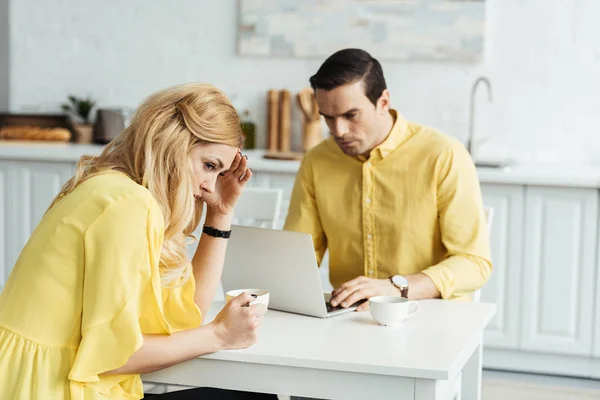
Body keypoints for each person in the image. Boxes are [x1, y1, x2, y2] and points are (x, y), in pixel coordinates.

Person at [0, 83, 277, 399]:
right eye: (209, 166)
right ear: (172, 141)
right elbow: (116, 357)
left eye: (219, 174)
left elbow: (186, 317)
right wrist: (220, 335)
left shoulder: (117, 189)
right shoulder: (127, 203)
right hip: (47, 388)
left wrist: (220, 214)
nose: (208, 187)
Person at [284, 49, 492, 309]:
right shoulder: (317, 160)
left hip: (432, 315)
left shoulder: (444, 155)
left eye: (351, 115)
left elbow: (474, 263)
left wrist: (397, 287)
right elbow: (297, 256)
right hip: (349, 318)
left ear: (383, 102)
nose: (338, 131)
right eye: (328, 117)